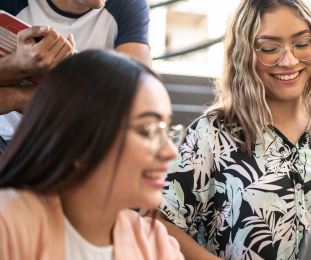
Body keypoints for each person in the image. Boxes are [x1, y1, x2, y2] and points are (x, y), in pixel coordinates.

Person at [157, 0, 311, 260]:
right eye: (269, 48)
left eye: (302, 44)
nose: (289, 61)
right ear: (243, 55)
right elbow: (158, 221)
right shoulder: (210, 135)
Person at [0, 50, 185, 260]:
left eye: (169, 131)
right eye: (148, 131)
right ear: (79, 140)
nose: (171, 151)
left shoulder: (158, 245)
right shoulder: (8, 226)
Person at [0, 0, 151, 150]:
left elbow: (140, 101)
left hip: (80, 148)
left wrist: (14, 98)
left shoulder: (126, 6)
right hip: (8, 143)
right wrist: (18, 66)